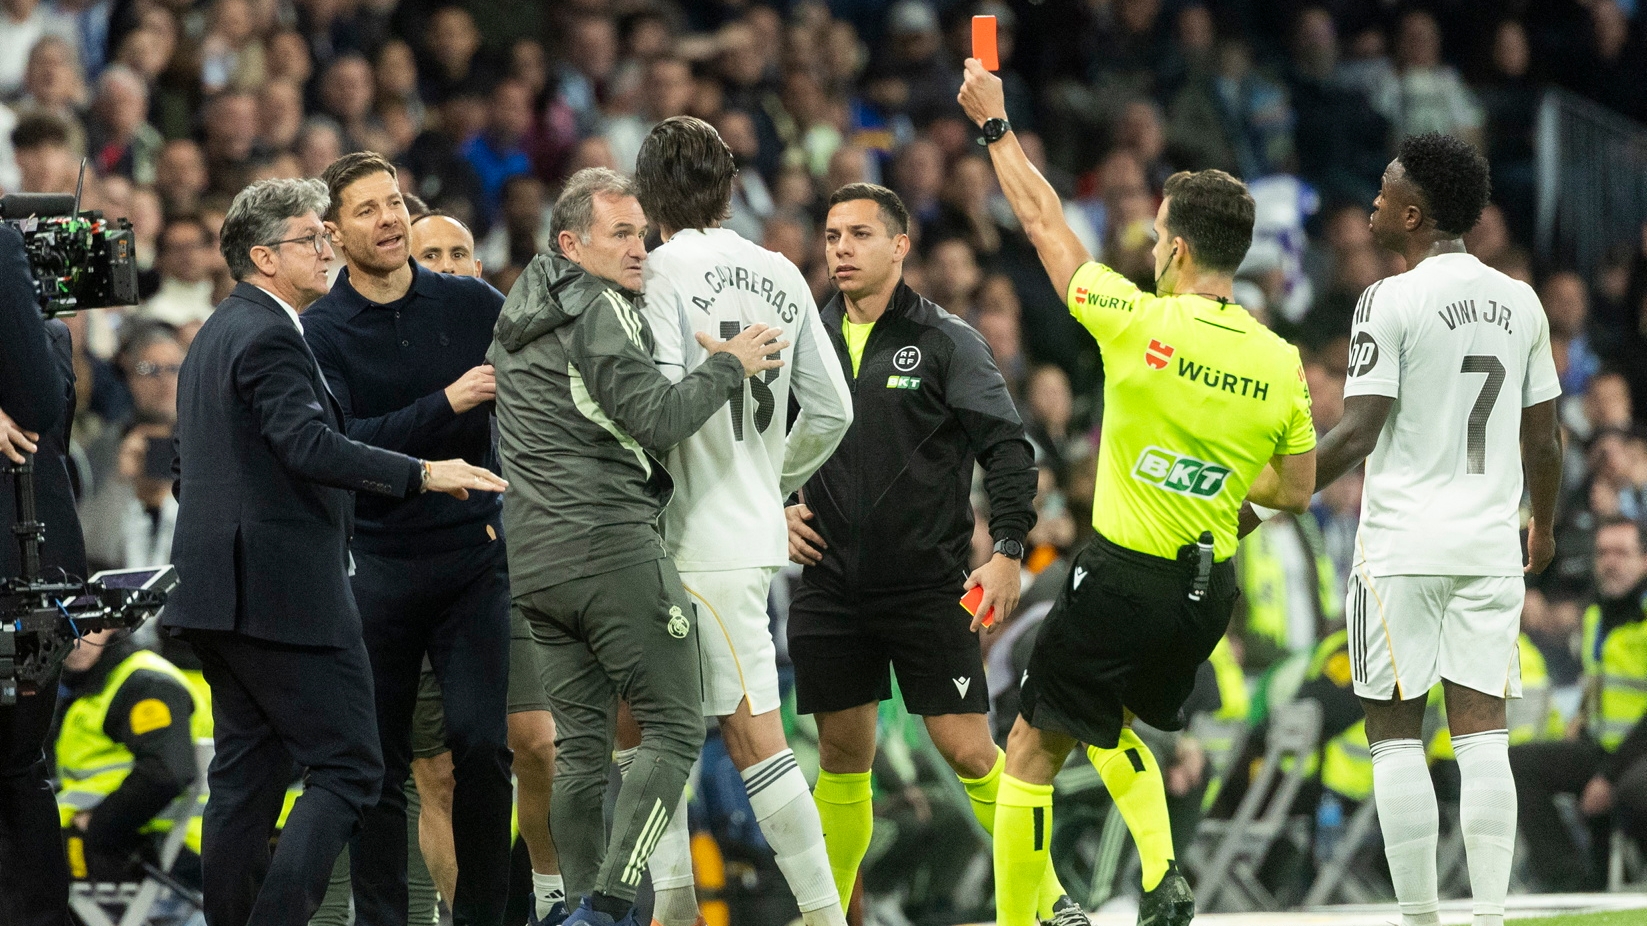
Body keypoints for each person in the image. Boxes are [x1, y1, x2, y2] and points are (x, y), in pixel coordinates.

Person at [959, 58, 1317, 926]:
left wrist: (997, 129)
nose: (1150, 250)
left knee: (1026, 751)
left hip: (1121, 576)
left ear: (1180, 249)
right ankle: (1161, 877)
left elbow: (1044, 224)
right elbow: (1297, 490)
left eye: (1157, 237)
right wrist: (1215, 474)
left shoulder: (1140, 323)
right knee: (1103, 718)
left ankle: (1022, 921)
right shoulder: (1278, 362)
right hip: (1205, 599)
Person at [161, 177, 507, 926]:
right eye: (310, 240)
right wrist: (420, 473)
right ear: (263, 256)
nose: (326, 250)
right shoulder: (271, 335)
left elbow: (188, 471)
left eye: (325, 235)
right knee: (351, 767)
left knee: (246, 783)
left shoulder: (216, 333)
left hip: (219, 596)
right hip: (285, 597)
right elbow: (308, 444)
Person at [1246, 133, 1562, 926]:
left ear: (1413, 214)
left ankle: (1420, 917)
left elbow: (1353, 435)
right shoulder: (1520, 300)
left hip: (1400, 551)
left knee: (1393, 737)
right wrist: (1544, 528)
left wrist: (1258, 504)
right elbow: (1545, 440)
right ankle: (1487, 917)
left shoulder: (1387, 300)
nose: (1373, 207)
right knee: (1482, 734)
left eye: (1384, 195)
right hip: (1489, 545)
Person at [781, 177, 1087, 924]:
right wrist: (773, 509)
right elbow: (757, 445)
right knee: (842, 760)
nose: (841, 250)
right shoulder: (801, 338)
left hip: (924, 585)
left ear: (899, 245)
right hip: (827, 584)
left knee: (968, 751)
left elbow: (1010, 451)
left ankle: (1046, 903)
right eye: (831, 237)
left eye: (858, 235)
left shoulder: (947, 339)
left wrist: (1008, 549)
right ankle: (831, 918)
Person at [487, 167, 786, 926]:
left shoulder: (518, 314)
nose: (639, 250)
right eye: (620, 234)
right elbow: (655, 418)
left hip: (535, 560)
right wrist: (731, 361)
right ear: (569, 242)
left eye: (641, 233)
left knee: (582, 752)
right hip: (608, 547)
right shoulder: (598, 309)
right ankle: (615, 902)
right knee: (678, 726)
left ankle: (578, 908)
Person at [631, 115, 854, 926]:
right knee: (651, 733)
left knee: (745, 735)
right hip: (738, 535)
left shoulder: (652, 275)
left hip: (683, 537)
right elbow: (832, 410)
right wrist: (768, 481)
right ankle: (678, 910)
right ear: (728, 190)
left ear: (646, 194)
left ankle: (823, 917)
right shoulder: (780, 272)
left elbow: (650, 411)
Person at [302, 151, 515, 926]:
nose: (389, 219)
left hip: (472, 558)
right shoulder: (319, 330)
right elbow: (341, 443)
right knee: (379, 766)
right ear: (331, 233)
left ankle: (487, 917)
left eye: (393, 202)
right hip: (378, 565)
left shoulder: (470, 303)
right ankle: (385, 918)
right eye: (366, 209)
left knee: (485, 749)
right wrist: (446, 403)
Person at [399, 205, 567, 923]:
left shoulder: (516, 350)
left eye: (459, 251)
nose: (445, 263)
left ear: (477, 266)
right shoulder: (378, 347)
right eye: (428, 252)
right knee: (435, 773)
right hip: (404, 574)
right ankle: (460, 911)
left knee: (535, 744)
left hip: (502, 567)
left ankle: (556, 898)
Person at [0, 219, 84, 926]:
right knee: (21, 774)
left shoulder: (47, 338)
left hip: (27, 574)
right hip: (33, 572)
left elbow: (37, 414)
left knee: (21, 770)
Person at [1511, 516, 1647, 891]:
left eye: (1622, 552)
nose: (1610, 562)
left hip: (1638, 754)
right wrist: (1582, 722)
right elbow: (1598, 684)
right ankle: (1571, 888)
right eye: (1603, 552)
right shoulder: (1595, 613)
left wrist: (1608, 777)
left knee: (1636, 790)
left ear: (1645, 560)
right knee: (1520, 762)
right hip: (1604, 748)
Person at [55, 629, 207, 882]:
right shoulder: (90, 681)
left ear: (113, 623)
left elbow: (166, 773)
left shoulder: (145, 683)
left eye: (86, 625)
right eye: (62, 625)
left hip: (155, 844)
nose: (74, 638)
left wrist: (95, 826)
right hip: (113, 836)